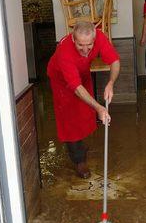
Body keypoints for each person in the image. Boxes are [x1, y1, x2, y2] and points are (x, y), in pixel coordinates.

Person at [47, 21, 120, 179]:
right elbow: (76, 88)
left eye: (89, 45)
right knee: (70, 119)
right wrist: (99, 108)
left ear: (94, 37)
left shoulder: (99, 36)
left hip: (82, 73)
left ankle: (80, 146)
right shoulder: (64, 51)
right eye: (80, 45)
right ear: (73, 39)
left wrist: (111, 83)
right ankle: (79, 160)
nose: (86, 50)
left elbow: (115, 61)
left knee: (85, 112)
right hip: (61, 80)